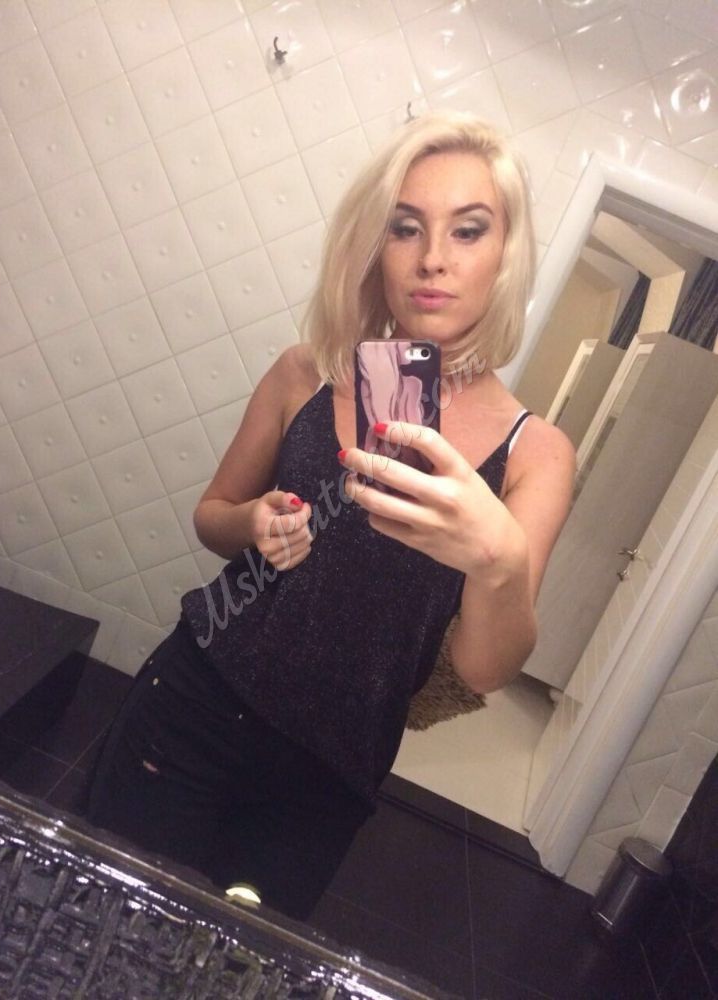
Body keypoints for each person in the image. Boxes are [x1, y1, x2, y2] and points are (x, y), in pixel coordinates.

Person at [85, 110, 576, 921]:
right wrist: (253, 522)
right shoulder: (306, 372)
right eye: (405, 227)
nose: (433, 258)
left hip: (326, 771)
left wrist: (496, 559)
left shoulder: (535, 454)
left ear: (506, 254)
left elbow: (485, 670)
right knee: (96, 917)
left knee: (226, 967)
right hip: (195, 701)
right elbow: (211, 516)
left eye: (468, 230)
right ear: (374, 247)